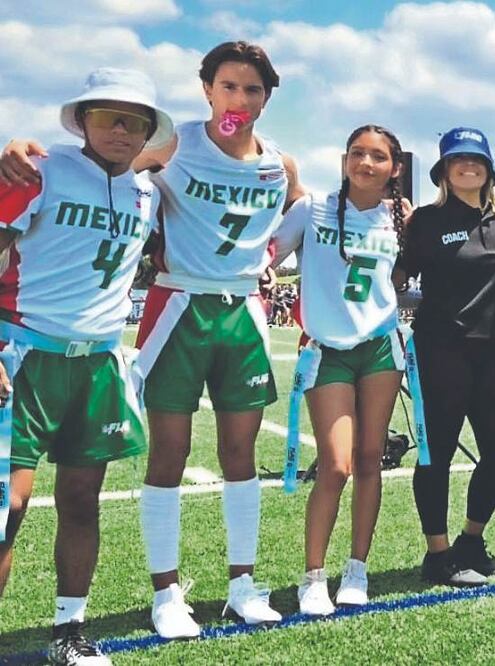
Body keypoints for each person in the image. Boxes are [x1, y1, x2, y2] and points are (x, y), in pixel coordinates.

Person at [0, 40, 307, 636]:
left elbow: (297, 212)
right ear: (206, 90)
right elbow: (80, 172)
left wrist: (269, 256)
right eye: (227, 86)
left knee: (235, 459)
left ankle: (241, 584)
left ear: (267, 98)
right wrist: (15, 151)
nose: (237, 100)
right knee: (158, 459)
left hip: (233, 314)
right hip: (166, 311)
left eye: (251, 89)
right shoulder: (166, 148)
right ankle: (166, 594)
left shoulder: (278, 165)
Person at [0, 67, 171, 665]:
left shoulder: (149, 193)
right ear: (84, 119)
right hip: (24, 354)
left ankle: (69, 633)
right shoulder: (40, 170)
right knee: (8, 506)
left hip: (97, 363)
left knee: (80, 500)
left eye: (136, 121)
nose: (123, 130)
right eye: (110, 116)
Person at [270, 125, 408, 615]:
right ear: (344, 158)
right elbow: (271, 253)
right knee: (335, 464)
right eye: (357, 153)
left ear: (395, 168)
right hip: (327, 348)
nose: (366, 163)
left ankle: (357, 569)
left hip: (379, 349)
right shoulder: (312, 207)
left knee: (371, 460)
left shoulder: (401, 220)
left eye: (378, 157)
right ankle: (313, 577)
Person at [394, 128, 495, 586]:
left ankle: (471, 540)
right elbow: (399, 277)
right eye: (458, 159)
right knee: (436, 456)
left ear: (489, 168)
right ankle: (438, 553)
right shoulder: (424, 220)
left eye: (477, 159)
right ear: (444, 169)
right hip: (439, 351)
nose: (469, 166)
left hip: (491, 354)